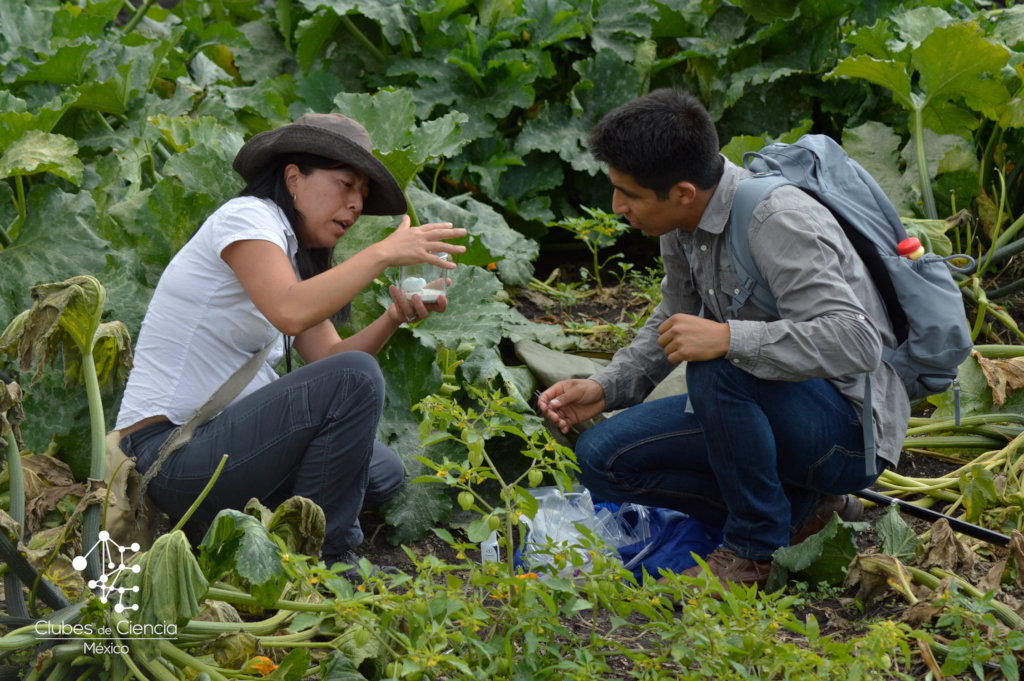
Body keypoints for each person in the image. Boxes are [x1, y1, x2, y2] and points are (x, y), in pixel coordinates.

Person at [537, 89, 910, 589]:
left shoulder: (777, 221)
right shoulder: (681, 222)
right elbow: (674, 317)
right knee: (604, 458)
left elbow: (857, 341)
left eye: (629, 193)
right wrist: (605, 387)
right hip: (767, 409)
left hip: (846, 435)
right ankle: (802, 513)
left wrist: (731, 338)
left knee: (717, 362)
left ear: (683, 191)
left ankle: (750, 552)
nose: (617, 205)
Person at [115, 113, 467, 568]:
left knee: (382, 472)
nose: (357, 203)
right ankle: (325, 560)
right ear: (294, 179)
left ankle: (241, 533)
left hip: (222, 449)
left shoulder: (290, 255)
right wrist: (381, 253)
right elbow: (291, 310)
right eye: (346, 184)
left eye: (362, 193)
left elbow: (333, 357)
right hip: (170, 457)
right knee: (357, 381)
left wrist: (394, 316)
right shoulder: (246, 219)